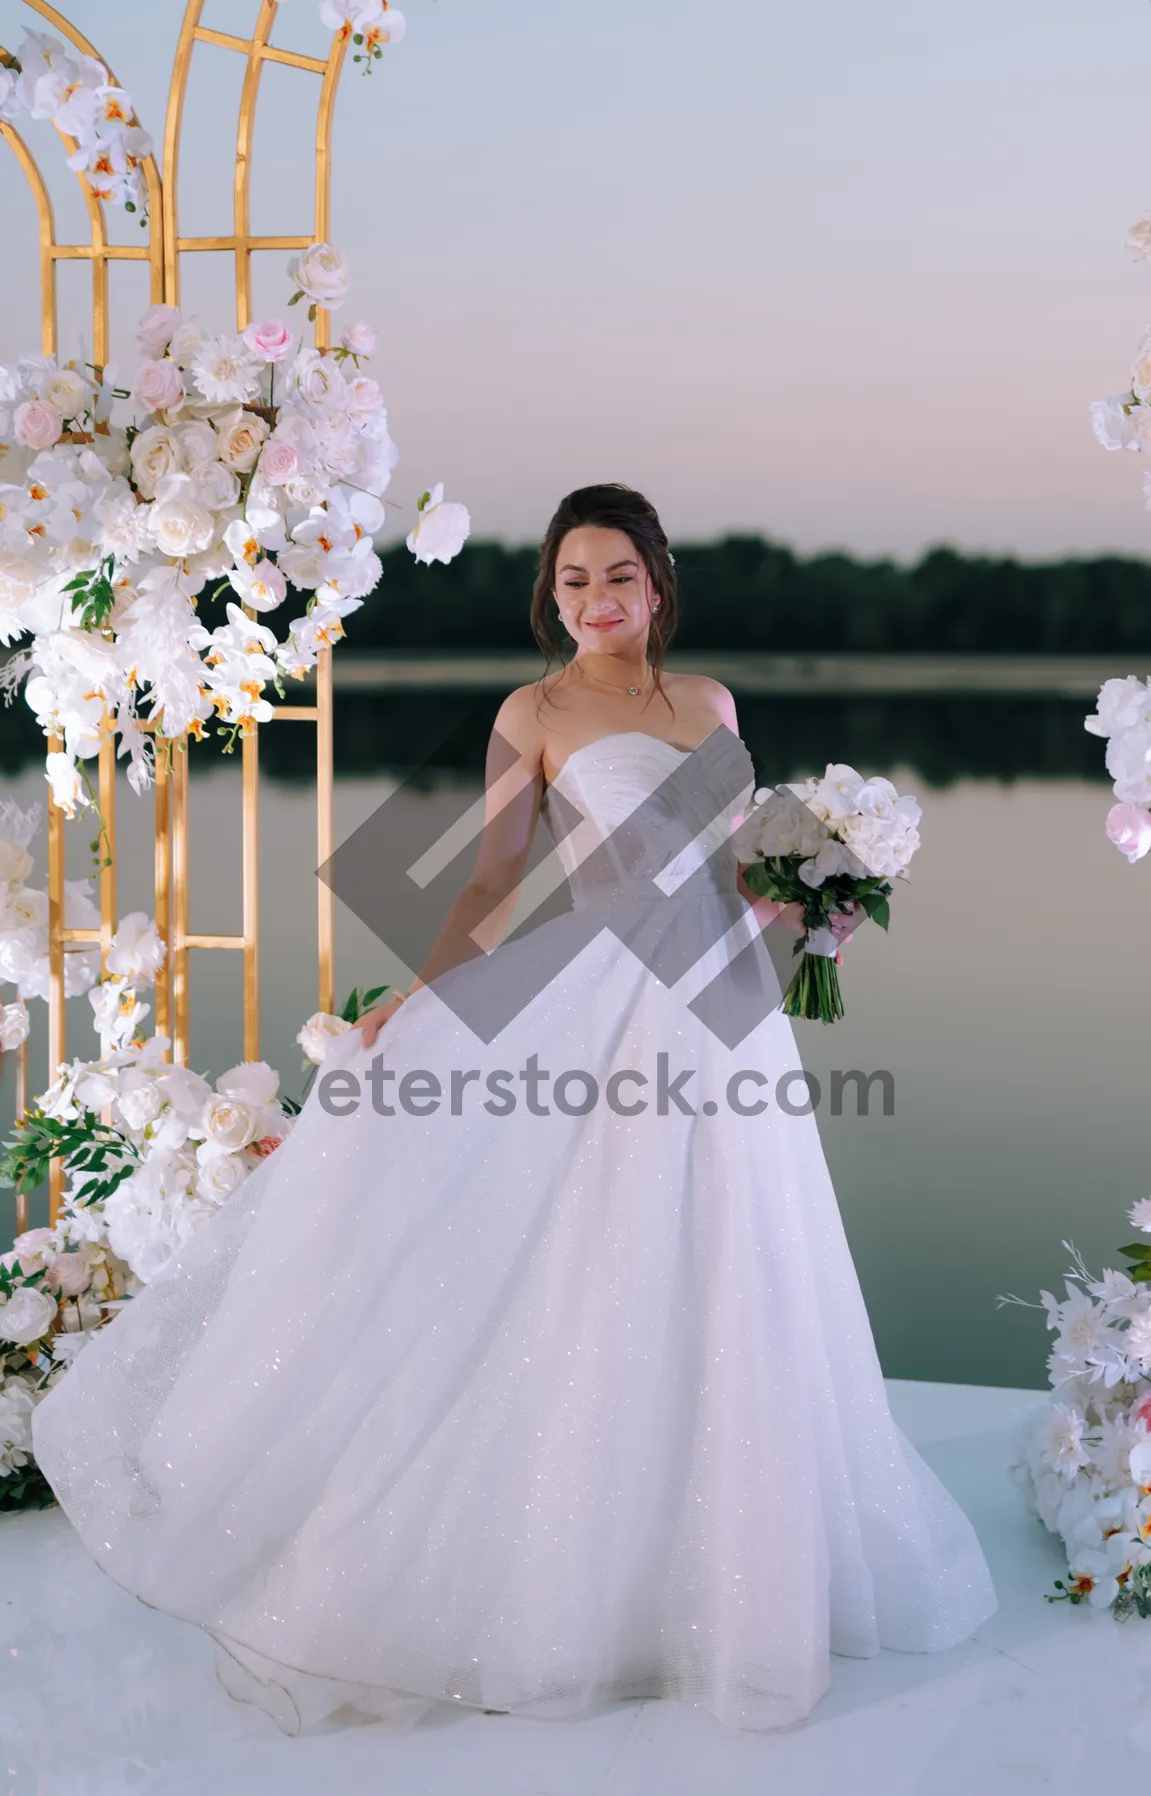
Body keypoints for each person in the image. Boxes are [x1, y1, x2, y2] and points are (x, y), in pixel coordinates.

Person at [32, 483, 996, 1737]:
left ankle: (726, 1560)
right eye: (572, 582)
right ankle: (582, 1556)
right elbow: (493, 872)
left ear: (657, 584)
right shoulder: (531, 712)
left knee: (736, 1255)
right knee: (596, 1245)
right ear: (553, 597)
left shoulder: (709, 706)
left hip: (720, 1005)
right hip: (600, 994)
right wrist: (416, 1002)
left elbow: (730, 869)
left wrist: (817, 902)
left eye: (617, 577)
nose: (595, 601)